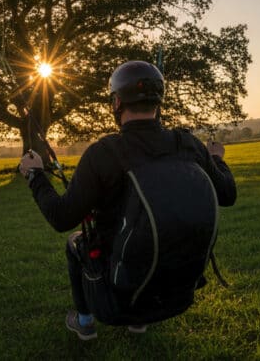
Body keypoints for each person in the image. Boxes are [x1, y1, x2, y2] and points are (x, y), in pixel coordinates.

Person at [19, 60, 237, 340]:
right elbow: (228, 194)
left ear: (116, 102)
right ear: (158, 100)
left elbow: (61, 217)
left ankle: (84, 321)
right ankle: (140, 321)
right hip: (179, 291)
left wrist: (35, 176)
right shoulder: (189, 145)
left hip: (118, 295)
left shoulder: (104, 153)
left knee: (74, 242)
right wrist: (217, 159)